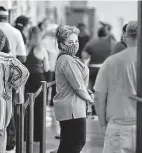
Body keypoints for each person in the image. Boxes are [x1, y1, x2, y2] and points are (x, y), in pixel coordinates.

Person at [94, 21, 139, 153]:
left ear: (124, 37)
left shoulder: (111, 62)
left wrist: (102, 125)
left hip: (117, 128)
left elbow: (98, 98)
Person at [53, 24, 94, 153]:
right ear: (62, 44)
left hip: (71, 107)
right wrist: (90, 99)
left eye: (76, 41)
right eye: (70, 42)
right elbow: (78, 85)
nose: (75, 44)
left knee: (68, 145)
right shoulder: (67, 60)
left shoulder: (68, 58)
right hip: (72, 108)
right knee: (77, 143)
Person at [25, 26, 49, 142]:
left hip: (27, 80)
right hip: (39, 81)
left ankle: (26, 135)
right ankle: (38, 136)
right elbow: (46, 68)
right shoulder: (42, 50)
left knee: (27, 108)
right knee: (39, 110)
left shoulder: (25, 48)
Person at [82, 25, 115, 91]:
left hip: (93, 69)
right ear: (106, 35)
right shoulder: (112, 43)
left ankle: (91, 96)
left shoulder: (91, 42)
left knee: (91, 86)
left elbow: (84, 55)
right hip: (106, 69)